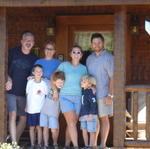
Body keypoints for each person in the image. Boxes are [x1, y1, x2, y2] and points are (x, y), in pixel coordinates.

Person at [5, 31, 37, 143]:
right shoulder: (12, 52)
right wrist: (8, 78)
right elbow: (3, 66)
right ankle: (13, 143)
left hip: (24, 93)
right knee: (12, 114)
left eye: (31, 41)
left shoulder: (34, 58)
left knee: (24, 118)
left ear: (33, 43)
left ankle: (14, 141)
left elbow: (35, 75)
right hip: (11, 91)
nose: (29, 42)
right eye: (26, 40)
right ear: (22, 41)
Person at [86, 33, 114, 148]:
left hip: (104, 94)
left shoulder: (109, 57)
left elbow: (113, 77)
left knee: (104, 119)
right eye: (94, 43)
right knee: (94, 120)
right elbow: (87, 76)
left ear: (103, 43)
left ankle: (103, 145)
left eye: (99, 42)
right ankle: (93, 145)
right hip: (91, 95)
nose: (96, 45)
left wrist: (110, 95)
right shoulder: (89, 58)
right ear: (91, 44)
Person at [57, 45, 87, 148]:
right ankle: (76, 146)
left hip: (78, 97)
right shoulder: (64, 65)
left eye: (78, 52)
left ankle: (66, 145)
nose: (76, 54)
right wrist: (55, 89)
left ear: (81, 55)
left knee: (72, 123)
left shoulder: (84, 68)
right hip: (65, 96)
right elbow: (55, 76)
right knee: (71, 123)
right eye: (74, 52)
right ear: (70, 54)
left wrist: (90, 86)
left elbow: (87, 82)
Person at [40, 71, 65, 149]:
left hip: (54, 113)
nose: (60, 84)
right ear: (54, 81)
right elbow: (41, 78)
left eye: (62, 82)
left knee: (54, 129)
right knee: (45, 128)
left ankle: (55, 143)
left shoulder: (63, 90)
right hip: (44, 111)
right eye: (58, 82)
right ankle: (46, 144)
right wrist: (32, 77)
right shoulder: (49, 84)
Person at [26, 64, 48, 149]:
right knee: (31, 128)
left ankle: (39, 144)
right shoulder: (30, 82)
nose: (38, 73)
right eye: (36, 71)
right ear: (33, 73)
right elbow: (27, 94)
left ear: (42, 73)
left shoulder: (44, 84)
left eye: (40, 71)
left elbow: (46, 95)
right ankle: (32, 144)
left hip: (40, 109)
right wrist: (26, 106)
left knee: (39, 128)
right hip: (31, 109)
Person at [79, 74, 98, 148]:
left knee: (91, 131)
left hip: (90, 115)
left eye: (84, 82)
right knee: (84, 130)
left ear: (90, 84)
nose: (81, 83)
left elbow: (93, 103)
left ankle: (91, 146)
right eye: (82, 81)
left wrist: (91, 114)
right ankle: (86, 145)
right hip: (83, 114)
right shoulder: (83, 91)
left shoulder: (90, 92)